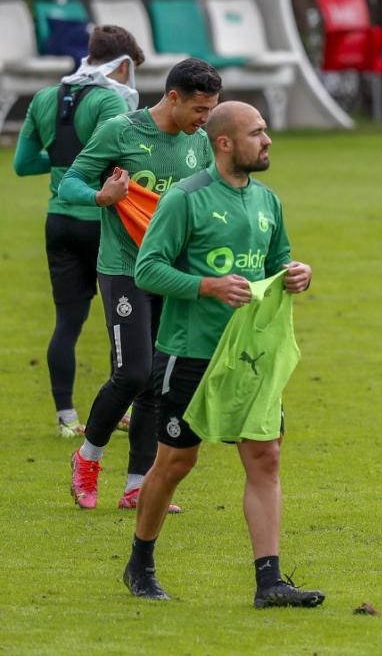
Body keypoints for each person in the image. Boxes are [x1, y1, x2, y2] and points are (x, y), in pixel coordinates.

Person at [123, 101, 323, 608]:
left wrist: (295, 273)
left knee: (265, 457)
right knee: (175, 462)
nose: (268, 140)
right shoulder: (185, 200)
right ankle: (140, 563)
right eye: (257, 133)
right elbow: (147, 270)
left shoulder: (268, 202)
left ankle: (270, 582)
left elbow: (276, 261)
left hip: (249, 356)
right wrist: (206, 286)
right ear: (224, 143)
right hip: (190, 354)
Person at [60, 58, 220, 510]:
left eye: (211, 109)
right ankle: (87, 458)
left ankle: (137, 486)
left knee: (156, 380)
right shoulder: (121, 131)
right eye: (200, 109)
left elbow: (209, 200)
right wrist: (99, 197)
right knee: (131, 372)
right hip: (124, 269)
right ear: (173, 98)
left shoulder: (199, 145)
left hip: (170, 273)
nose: (205, 118)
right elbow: (71, 181)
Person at [12, 26, 145, 437]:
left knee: (67, 321)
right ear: (123, 65)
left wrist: (60, 164)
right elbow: (117, 159)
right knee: (121, 320)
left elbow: (22, 163)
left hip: (59, 221)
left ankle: (66, 417)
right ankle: (120, 411)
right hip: (102, 224)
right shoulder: (111, 101)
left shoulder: (43, 98)